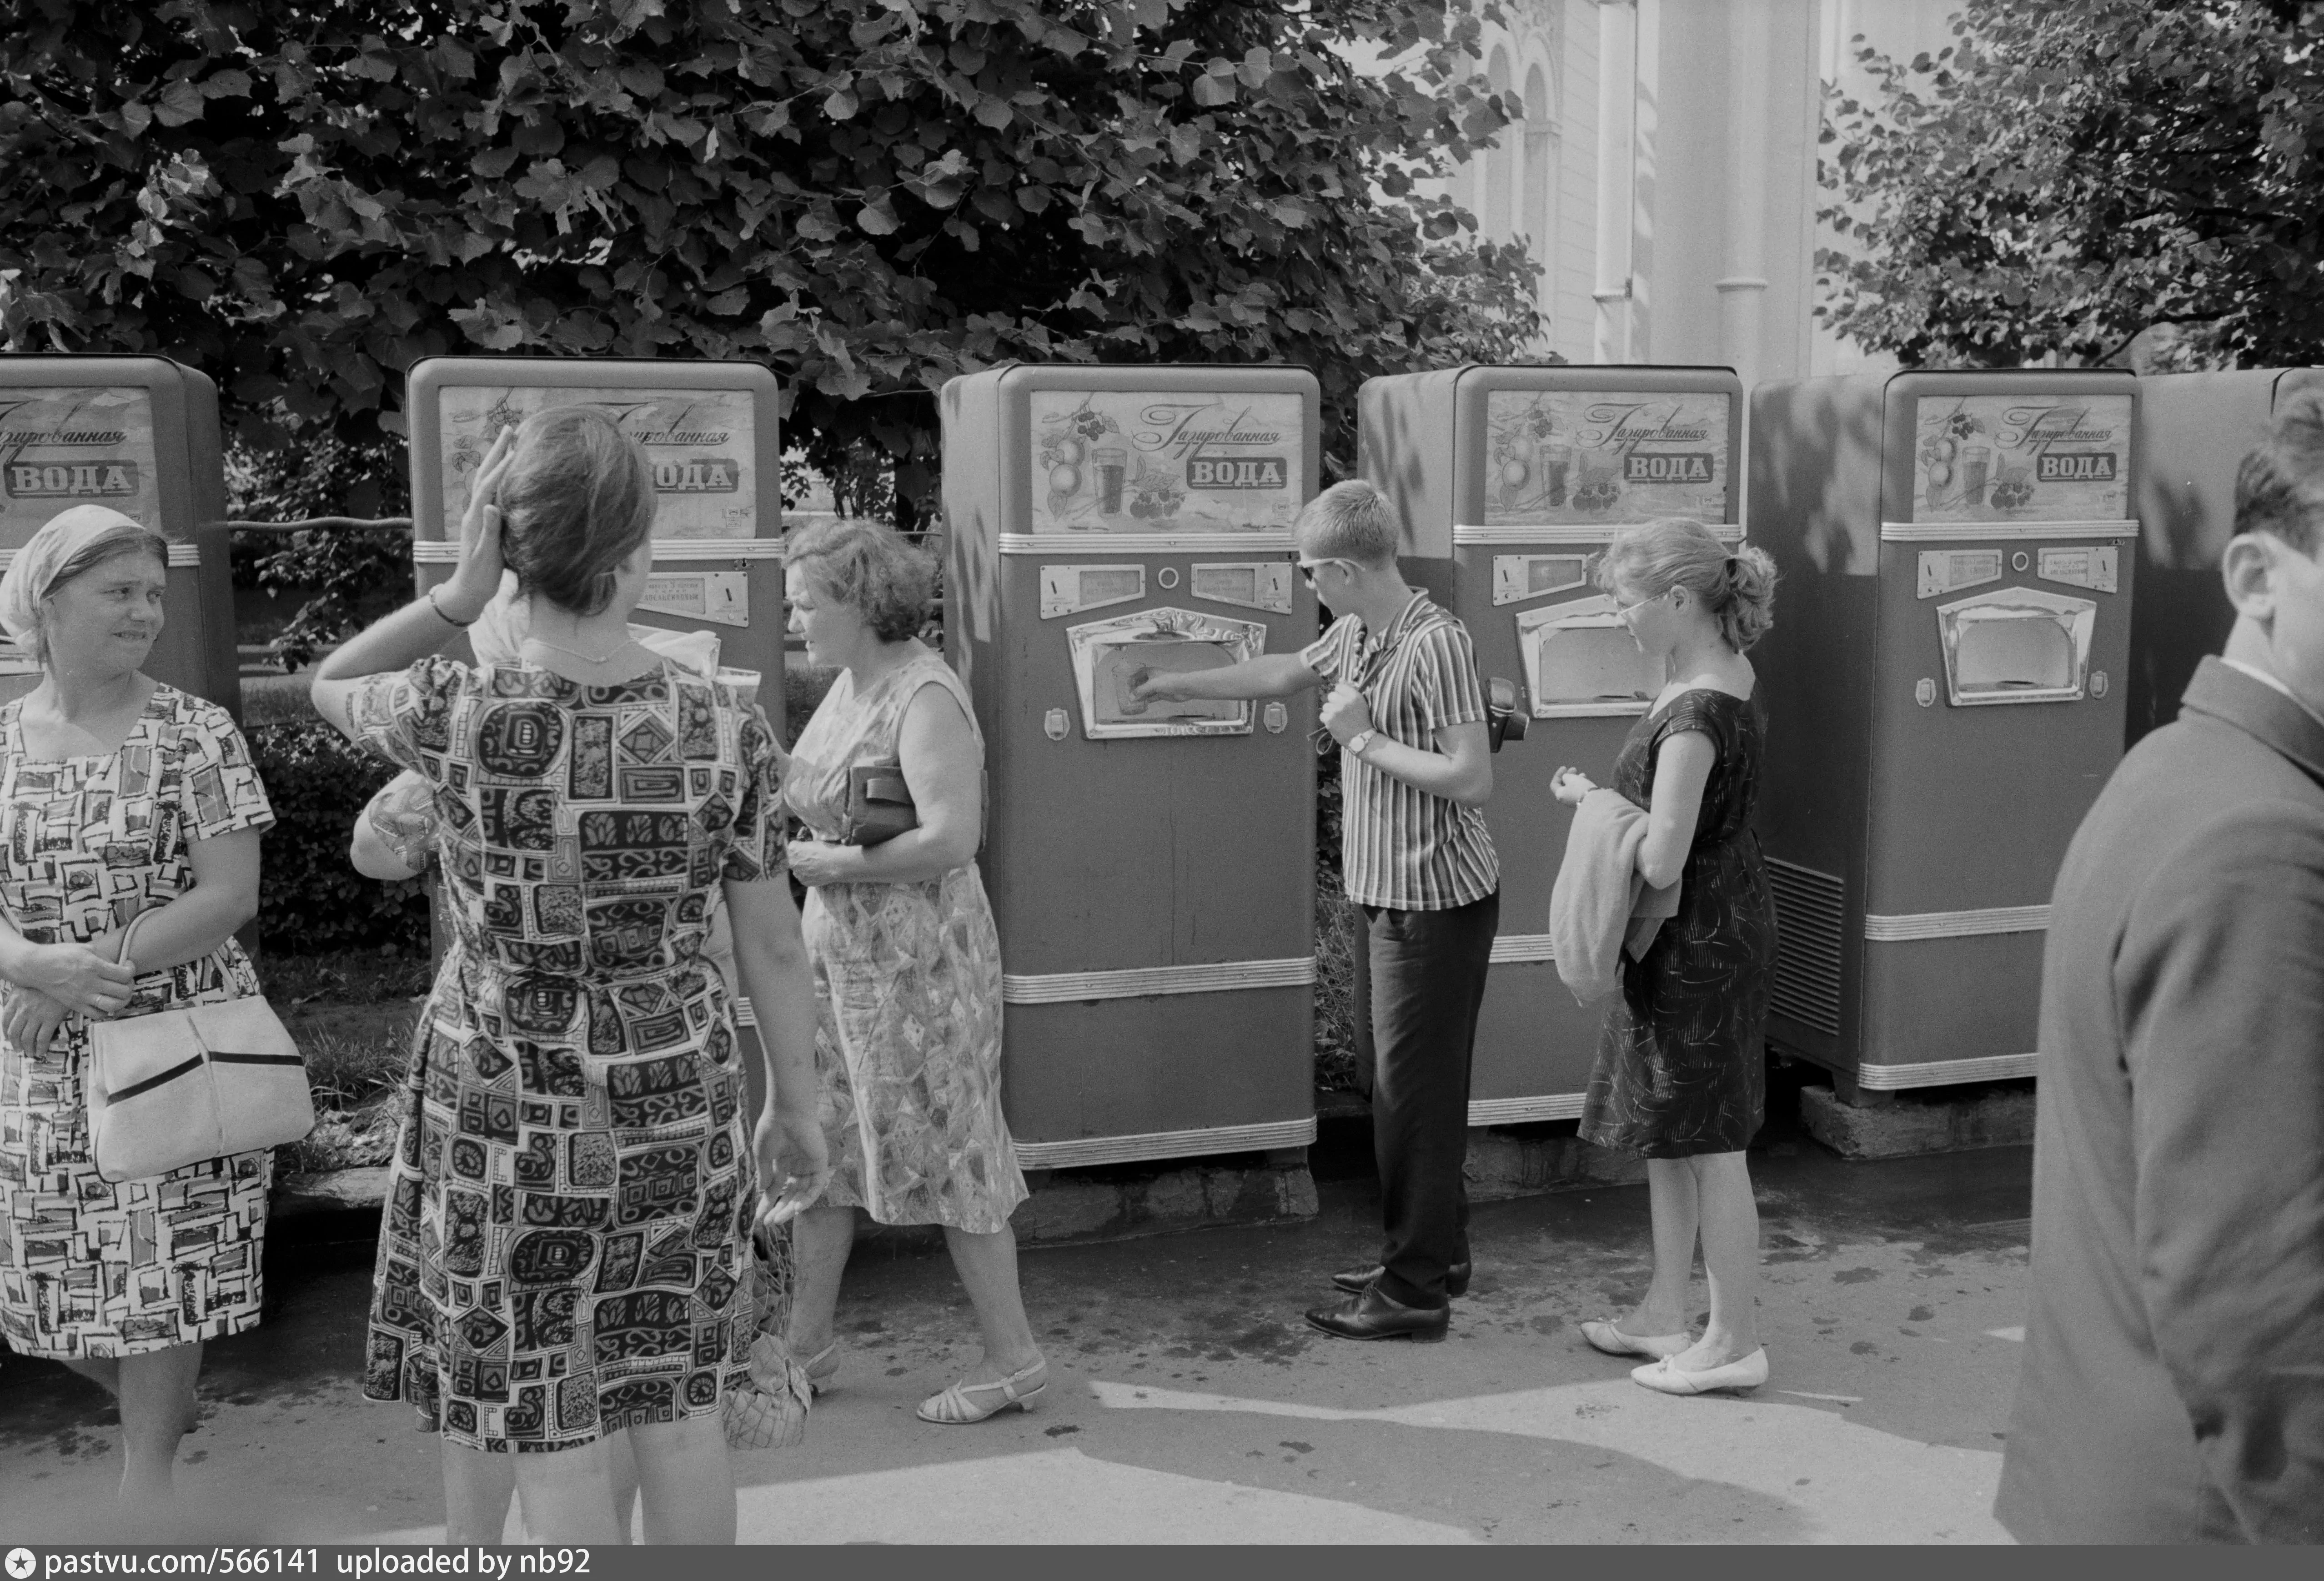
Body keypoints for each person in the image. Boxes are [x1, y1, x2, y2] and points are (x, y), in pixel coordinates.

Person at [310, 410, 829, 1545]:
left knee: (543, 1411)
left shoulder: (454, 711)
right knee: (677, 1401)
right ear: (637, 553)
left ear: (509, 549)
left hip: (503, 1095)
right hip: (672, 1089)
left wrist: (456, 594)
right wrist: (798, 1099)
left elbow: (330, 679)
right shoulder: (722, 725)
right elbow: (773, 941)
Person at [1995, 397, 2324, 1543]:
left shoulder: (2179, 767)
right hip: (2208, 1516)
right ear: (2255, 575)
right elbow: (2257, 1303)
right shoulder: (2263, 841)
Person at [1134, 479, 1497, 1342]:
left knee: (1414, 1099)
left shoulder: (1433, 643)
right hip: (1388, 898)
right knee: (1398, 1088)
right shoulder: (1360, 634)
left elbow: (1472, 776)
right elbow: (1286, 672)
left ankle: (1413, 1293)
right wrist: (1175, 685)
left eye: (1308, 574)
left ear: (1341, 567)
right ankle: (1437, 1254)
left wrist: (1363, 739)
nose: (1306, 587)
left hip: (1435, 902)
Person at [0, 505, 273, 1507]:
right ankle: (158, 1412)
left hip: (173, 1035)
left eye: (154, 594)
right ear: (47, 599)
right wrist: (32, 964)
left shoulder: (195, 732)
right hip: (37, 1044)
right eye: (120, 592)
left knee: (163, 1276)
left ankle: (145, 1486)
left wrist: (87, 970)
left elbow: (226, 896)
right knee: (34, 1275)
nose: (146, 613)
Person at [775, 519, 1045, 1424]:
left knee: (956, 1156)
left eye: (807, 601)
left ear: (859, 602)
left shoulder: (924, 692)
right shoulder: (855, 685)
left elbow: (951, 837)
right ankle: (804, 1345)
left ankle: (1013, 1360)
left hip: (920, 972)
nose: (795, 616)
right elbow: (832, 799)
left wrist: (835, 867)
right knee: (826, 1150)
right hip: (849, 971)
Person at [1549, 518, 1779, 1396]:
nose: (1620, 620)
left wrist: (1591, 802)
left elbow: (1658, 860)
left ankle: (1733, 1340)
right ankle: (1662, 1311)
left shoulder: (1693, 713)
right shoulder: (1709, 675)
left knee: (1710, 1142)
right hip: (1706, 923)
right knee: (1674, 1134)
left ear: (1679, 600)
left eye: (1626, 603)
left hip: (1698, 938)